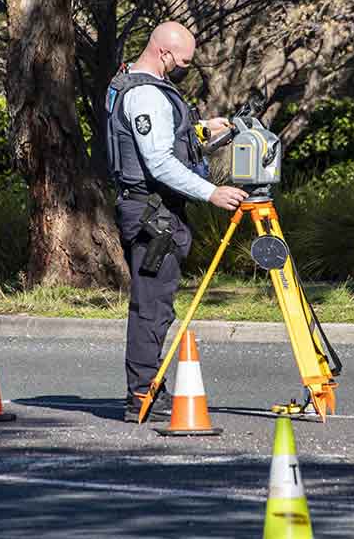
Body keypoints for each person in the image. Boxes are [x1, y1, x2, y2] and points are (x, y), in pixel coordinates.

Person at [105, 21, 249, 422]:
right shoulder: (147, 95)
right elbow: (159, 161)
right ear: (164, 53)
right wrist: (211, 192)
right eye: (183, 61)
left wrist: (203, 129)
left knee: (154, 302)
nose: (186, 67)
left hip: (149, 208)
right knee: (152, 305)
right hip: (153, 214)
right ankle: (143, 393)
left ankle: (147, 387)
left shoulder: (127, 82)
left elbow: (160, 141)